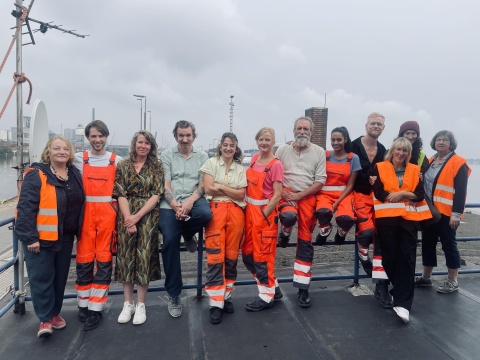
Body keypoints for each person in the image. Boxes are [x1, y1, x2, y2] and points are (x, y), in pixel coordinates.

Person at [15, 136, 84, 338]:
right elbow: (25, 208)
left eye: (65, 148)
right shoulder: (37, 174)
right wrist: (30, 237)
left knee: (60, 278)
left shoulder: (74, 174)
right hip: (42, 238)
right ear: (49, 151)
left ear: (70, 153)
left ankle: (54, 313)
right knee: (41, 278)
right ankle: (44, 319)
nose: (61, 151)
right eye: (57, 148)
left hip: (65, 237)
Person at [372, 137, 432, 323]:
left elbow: (420, 195)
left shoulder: (416, 170)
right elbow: (379, 192)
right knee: (390, 257)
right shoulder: (380, 167)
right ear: (392, 150)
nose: (401, 153)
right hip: (386, 220)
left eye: (405, 151)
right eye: (398, 149)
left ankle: (403, 304)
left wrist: (402, 193)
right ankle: (400, 290)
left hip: (409, 220)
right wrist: (406, 195)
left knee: (407, 257)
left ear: (409, 153)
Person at [159, 120, 212, 318]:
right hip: (169, 203)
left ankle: (189, 234)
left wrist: (188, 203)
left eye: (188, 135)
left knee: (205, 214)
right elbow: (165, 185)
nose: (184, 139)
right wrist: (175, 206)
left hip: (193, 199)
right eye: (181, 135)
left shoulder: (203, 156)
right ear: (176, 136)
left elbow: (202, 185)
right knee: (170, 242)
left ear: (193, 136)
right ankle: (174, 294)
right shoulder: (166, 155)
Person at [74, 120, 122, 331]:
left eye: (101, 136)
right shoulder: (77, 159)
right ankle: (82, 305)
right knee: (83, 261)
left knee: (104, 262)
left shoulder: (117, 161)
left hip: (107, 218)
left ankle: (96, 309)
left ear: (106, 137)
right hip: (84, 217)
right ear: (88, 138)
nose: (97, 140)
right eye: (93, 136)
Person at [276, 116, 326, 308]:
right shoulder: (282, 149)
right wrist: (285, 194)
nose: (302, 132)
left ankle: (303, 288)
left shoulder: (318, 152)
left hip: (306, 196)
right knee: (288, 216)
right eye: (299, 128)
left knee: (305, 242)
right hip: (286, 195)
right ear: (293, 130)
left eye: (306, 129)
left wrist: (300, 196)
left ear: (311, 132)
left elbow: (320, 181)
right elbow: (274, 173)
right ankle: (285, 232)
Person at [114, 131, 163, 325]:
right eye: (140, 142)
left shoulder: (156, 166)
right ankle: (128, 303)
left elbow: (156, 194)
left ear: (152, 147)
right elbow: (120, 193)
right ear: (135, 144)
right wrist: (128, 219)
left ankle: (141, 305)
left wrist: (137, 216)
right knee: (126, 257)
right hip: (126, 215)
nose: (143, 146)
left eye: (147, 143)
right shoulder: (123, 166)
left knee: (144, 258)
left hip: (147, 216)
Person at [199, 132, 247, 324]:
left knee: (231, 257)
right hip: (216, 211)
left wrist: (222, 187)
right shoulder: (211, 163)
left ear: (236, 148)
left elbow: (242, 194)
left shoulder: (240, 168)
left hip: (236, 213)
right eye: (225, 145)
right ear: (221, 146)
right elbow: (208, 188)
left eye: (232, 145)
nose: (228, 148)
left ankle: (226, 297)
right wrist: (230, 191)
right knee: (215, 257)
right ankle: (215, 303)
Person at [415, 131, 470, 293]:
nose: (441, 142)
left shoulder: (459, 163)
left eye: (445, 140)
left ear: (451, 143)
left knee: (449, 245)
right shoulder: (431, 161)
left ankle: (452, 281)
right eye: (438, 139)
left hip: (447, 213)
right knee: (428, 243)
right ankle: (426, 278)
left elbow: (461, 191)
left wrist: (456, 213)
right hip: (430, 212)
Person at [351, 112, 392, 308]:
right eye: (373, 123)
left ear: (383, 128)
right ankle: (362, 252)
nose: (376, 126)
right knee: (366, 232)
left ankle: (381, 286)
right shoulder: (353, 145)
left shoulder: (384, 150)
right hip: (357, 196)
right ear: (366, 125)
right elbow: (335, 159)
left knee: (382, 239)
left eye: (380, 124)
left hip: (377, 198)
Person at [242, 127, 284, 312]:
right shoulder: (253, 160)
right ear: (257, 141)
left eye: (267, 140)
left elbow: (277, 195)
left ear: (273, 141)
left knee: (262, 257)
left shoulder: (276, 165)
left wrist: (263, 215)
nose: (264, 143)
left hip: (263, 215)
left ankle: (266, 297)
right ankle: (273, 287)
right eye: (261, 139)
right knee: (248, 254)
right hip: (249, 213)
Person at [315, 127, 361, 245]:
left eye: (339, 140)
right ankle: (325, 229)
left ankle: (341, 232)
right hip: (324, 194)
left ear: (345, 139)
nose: (335, 143)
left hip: (344, 194)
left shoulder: (353, 158)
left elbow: (350, 185)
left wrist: (337, 202)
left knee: (346, 218)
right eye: (333, 140)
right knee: (323, 212)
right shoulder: (325, 155)